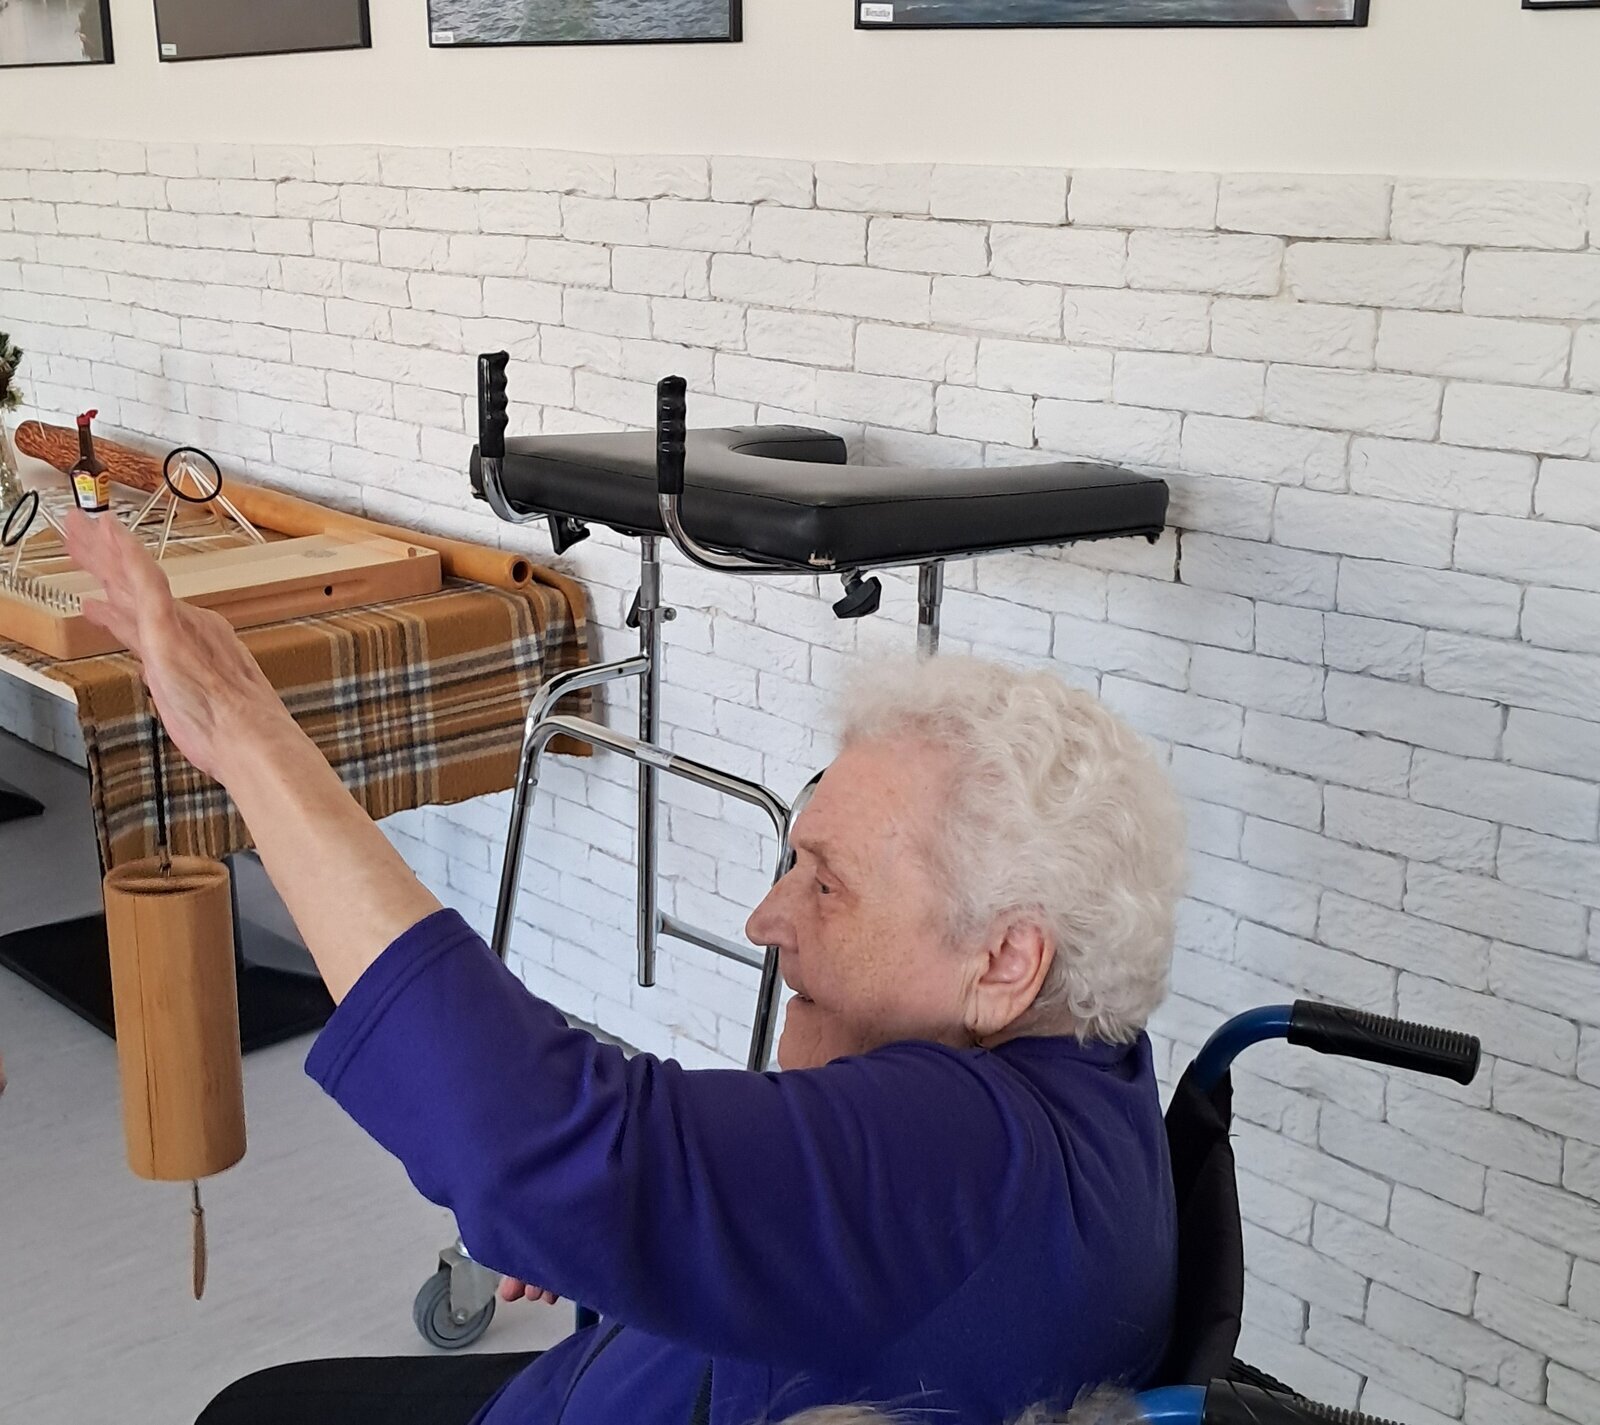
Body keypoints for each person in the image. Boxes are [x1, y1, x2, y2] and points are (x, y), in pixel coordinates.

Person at [63, 510, 1188, 1425]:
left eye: (827, 884)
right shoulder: (1087, 1081)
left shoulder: (974, 1160)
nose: (764, 919)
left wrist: (246, 735)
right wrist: (640, 1235)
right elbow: (807, 1208)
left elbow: (533, 1142)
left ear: (1004, 959)